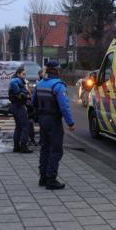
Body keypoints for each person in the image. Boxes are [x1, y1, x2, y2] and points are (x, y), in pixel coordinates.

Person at [32, 61, 75, 190]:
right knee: (55, 150)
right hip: (54, 121)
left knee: (44, 148)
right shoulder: (58, 86)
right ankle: (51, 179)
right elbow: (64, 107)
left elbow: (33, 102)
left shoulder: (39, 84)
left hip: (42, 120)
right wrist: (70, 123)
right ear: (56, 71)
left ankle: (43, 177)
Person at [9, 68, 33, 154]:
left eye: (25, 74)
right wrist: (22, 94)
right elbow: (18, 92)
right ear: (18, 74)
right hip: (18, 107)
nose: (24, 76)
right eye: (23, 74)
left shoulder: (18, 81)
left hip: (15, 106)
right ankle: (23, 146)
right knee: (25, 126)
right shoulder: (16, 80)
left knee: (19, 127)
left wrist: (25, 96)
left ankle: (16, 147)